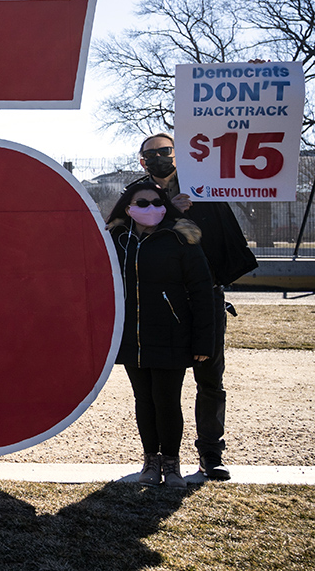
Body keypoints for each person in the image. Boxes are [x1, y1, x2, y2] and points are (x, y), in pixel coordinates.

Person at [133, 132, 258, 480]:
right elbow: (127, 235)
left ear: (177, 153)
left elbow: (224, 233)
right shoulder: (138, 192)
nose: (159, 157)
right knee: (161, 388)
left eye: (165, 150)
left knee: (210, 379)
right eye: (151, 154)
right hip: (161, 301)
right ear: (143, 161)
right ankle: (160, 457)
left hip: (205, 296)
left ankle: (210, 453)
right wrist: (169, 212)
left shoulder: (207, 186)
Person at [107, 181, 214, 488]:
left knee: (167, 400)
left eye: (157, 202)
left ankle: (171, 462)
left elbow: (201, 291)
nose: (150, 208)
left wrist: (202, 341)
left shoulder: (181, 239)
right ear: (128, 208)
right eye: (142, 203)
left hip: (172, 333)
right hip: (132, 336)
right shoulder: (116, 240)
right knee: (144, 400)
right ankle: (150, 460)